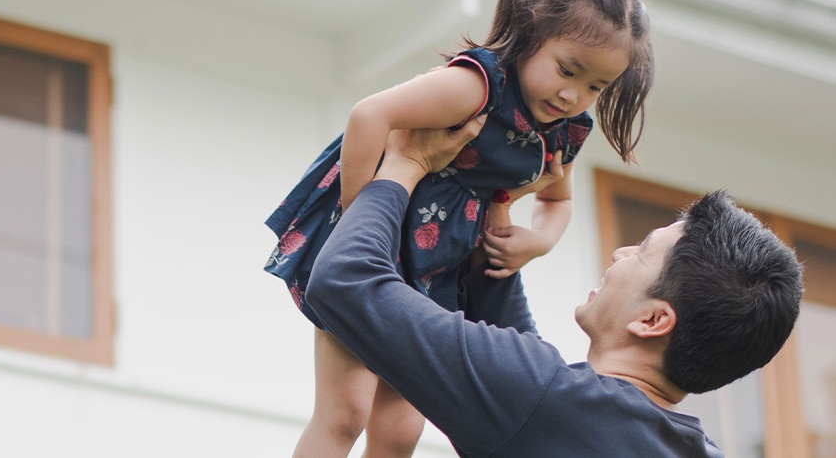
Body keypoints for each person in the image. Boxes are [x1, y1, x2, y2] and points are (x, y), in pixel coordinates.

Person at [265, 0, 653, 456]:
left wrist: (535, 243)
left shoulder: (563, 131)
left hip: (436, 268)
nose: (573, 96)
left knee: (402, 430)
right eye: (567, 70)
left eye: (595, 87)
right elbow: (368, 117)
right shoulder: (475, 86)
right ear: (532, 32)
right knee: (344, 414)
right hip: (375, 233)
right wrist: (359, 221)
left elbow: (557, 199)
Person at [303, 121, 803, 457]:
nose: (619, 254)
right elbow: (532, 384)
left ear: (652, 320)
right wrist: (493, 223)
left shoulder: (544, 401)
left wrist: (404, 166)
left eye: (642, 251)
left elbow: (343, 281)